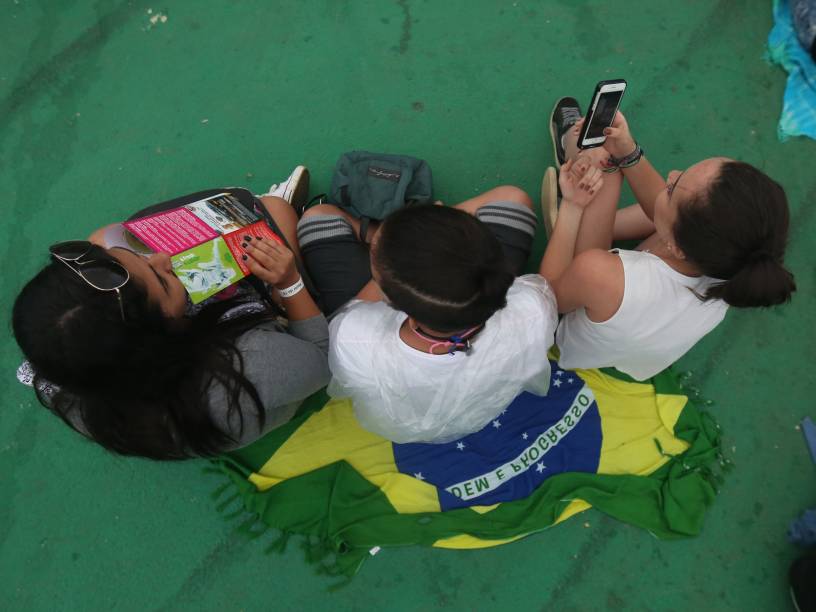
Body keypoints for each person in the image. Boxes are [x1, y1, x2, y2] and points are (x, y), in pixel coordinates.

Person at [12, 170, 331, 459]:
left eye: (125, 258)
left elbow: (109, 247)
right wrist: (289, 283)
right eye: (162, 281)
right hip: (270, 373)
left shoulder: (70, 369)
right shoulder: (249, 367)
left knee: (107, 236)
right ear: (157, 338)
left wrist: (143, 272)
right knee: (278, 211)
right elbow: (320, 359)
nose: (162, 258)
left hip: (190, 378)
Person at [297, 182, 593, 444]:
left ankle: (383, 241)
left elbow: (348, 316)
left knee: (318, 216)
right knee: (513, 198)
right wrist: (573, 205)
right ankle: (418, 243)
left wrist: (388, 275)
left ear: (390, 300)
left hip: (394, 316)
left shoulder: (356, 338)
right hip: (440, 302)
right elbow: (546, 291)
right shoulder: (530, 314)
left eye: (377, 255)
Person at [538, 98, 796, 381]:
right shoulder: (738, 260)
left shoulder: (597, 273)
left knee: (605, 167)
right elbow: (667, 212)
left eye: (673, 187)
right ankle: (604, 217)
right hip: (631, 331)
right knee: (673, 207)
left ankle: (573, 189)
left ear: (674, 246)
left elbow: (548, 300)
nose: (671, 174)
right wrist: (627, 150)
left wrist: (573, 208)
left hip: (578, 328)